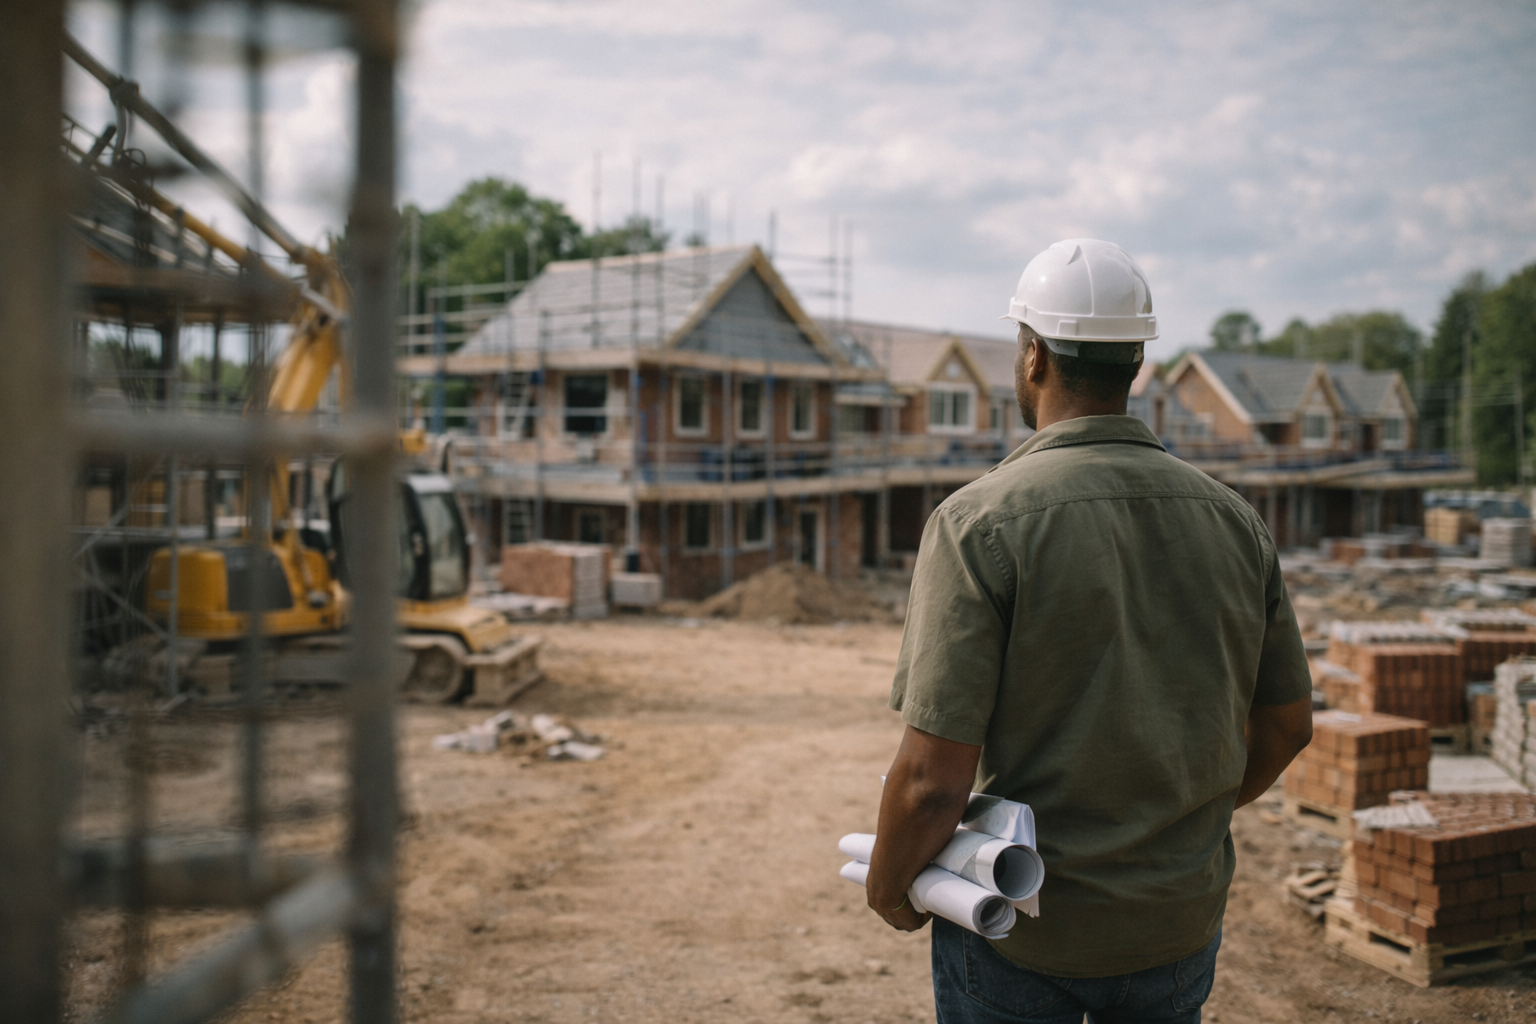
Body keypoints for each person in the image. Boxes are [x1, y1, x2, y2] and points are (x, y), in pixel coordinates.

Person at [863, 239, 1314, 1024]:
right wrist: (1172, 831)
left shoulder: (978, 524)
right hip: (1173, 923)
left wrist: (888, 888)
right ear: (1135, 362)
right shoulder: (1236, 522)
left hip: (1021, 933)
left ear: (1033, 357)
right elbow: (1286, 725)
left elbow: (932, 782)